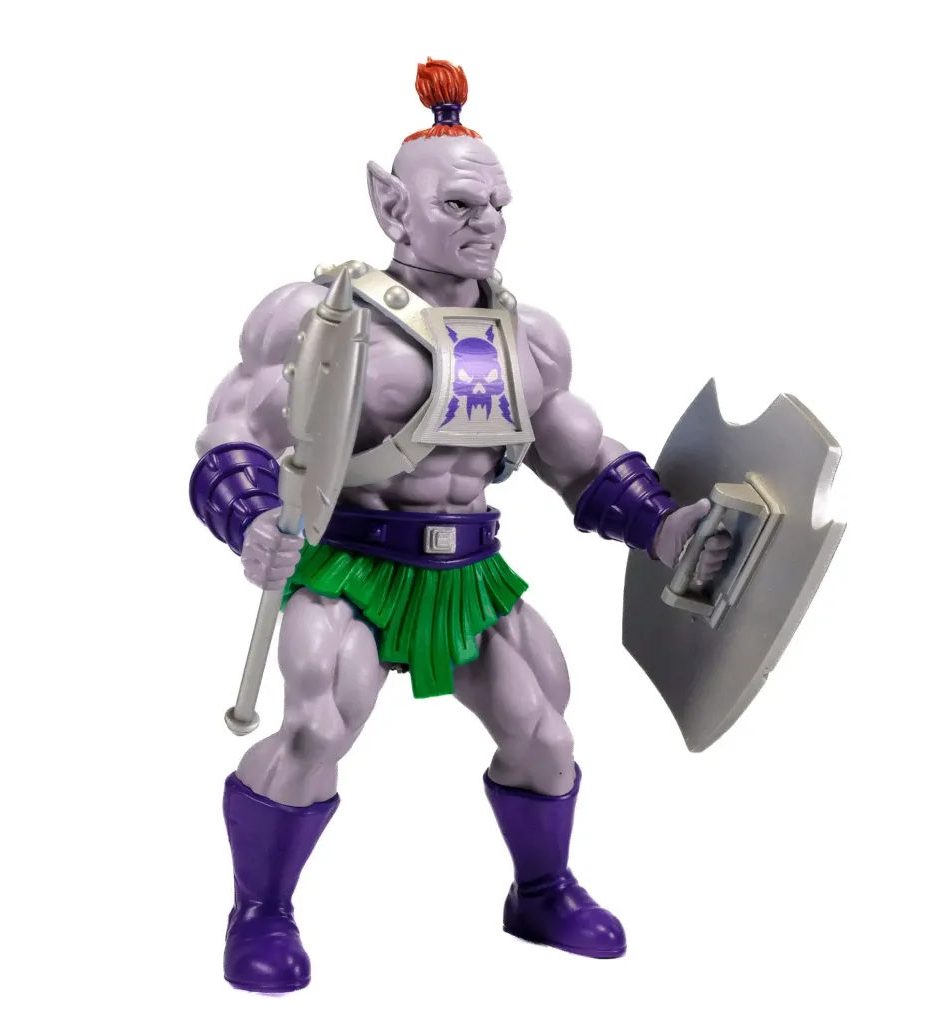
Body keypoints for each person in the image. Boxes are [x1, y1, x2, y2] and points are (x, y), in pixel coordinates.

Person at [190, 57, 730, 994]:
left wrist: (664, 528)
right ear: (392, 206)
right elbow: (232, 430)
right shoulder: (324, 317)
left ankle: (543, 893)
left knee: (545, 736)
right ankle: (261, 911)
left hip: (470, 573)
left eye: (498, 206)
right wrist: (250, 520)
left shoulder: (527, 337)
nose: (488, 225)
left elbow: (578, 456)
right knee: (316, 728)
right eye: (461, 206)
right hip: (351, 566)